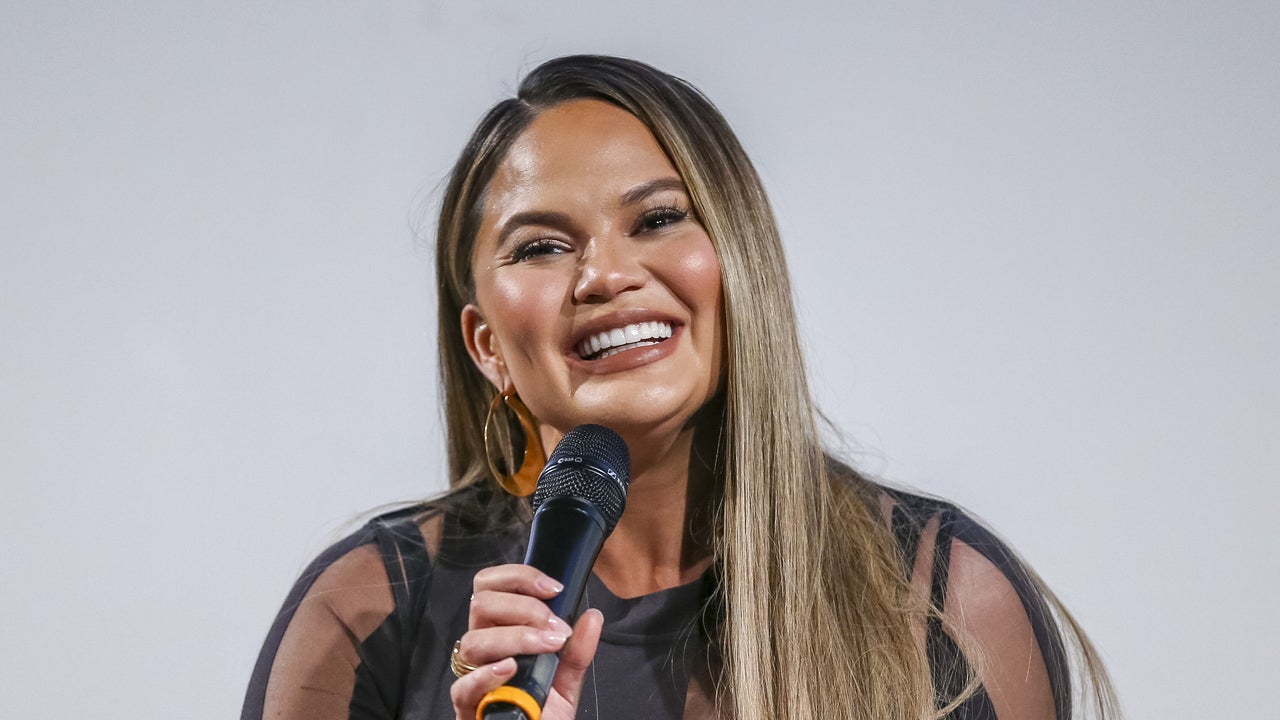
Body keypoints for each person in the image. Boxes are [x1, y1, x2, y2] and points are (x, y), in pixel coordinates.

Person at [242, 55, 1118, 720]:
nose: (605, 275)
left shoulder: (942, 596)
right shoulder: (367, 609)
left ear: (738, 267)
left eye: (658, 219)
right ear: (487, 347)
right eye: (543, 246)